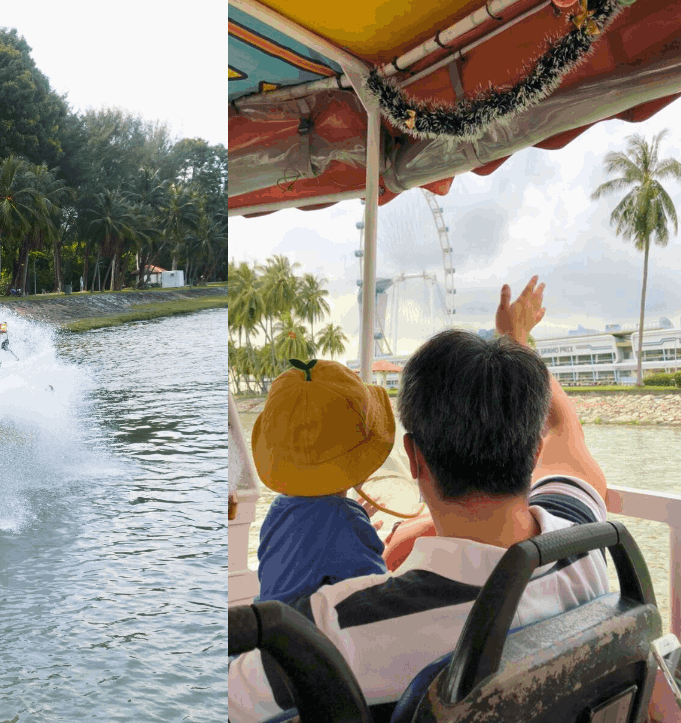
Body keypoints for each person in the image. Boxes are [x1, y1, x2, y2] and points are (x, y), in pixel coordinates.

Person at [228, 276, 612, 720]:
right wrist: (516, 341)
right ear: (535, 451)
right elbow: (567, 433)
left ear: (414, 459)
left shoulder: (338, 628)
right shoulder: (587, 545)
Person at [250, 359, 390, 605]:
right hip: (305, 640)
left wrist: (356, 530)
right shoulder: (344, 521)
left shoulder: (279, 509)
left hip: (270, 632)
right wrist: (360, 534)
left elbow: (311, 544)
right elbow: (379, 598)